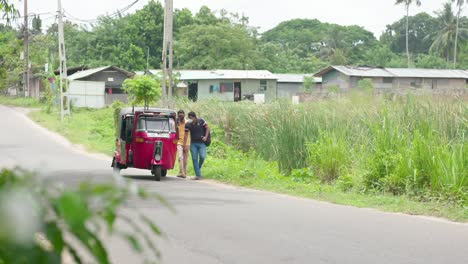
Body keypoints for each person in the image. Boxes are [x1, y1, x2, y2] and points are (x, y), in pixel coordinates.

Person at [184, 111, 210, 180]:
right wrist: (184, 144)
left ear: (194, 117)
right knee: (194, 158)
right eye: (189, 118)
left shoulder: (201, 121)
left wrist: (206, 137)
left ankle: (198, 167)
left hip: (201, 143)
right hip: (193, 144)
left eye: (191, 118)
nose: (190, 120)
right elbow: (186, 135)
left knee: (202, 156)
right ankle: (198, 175)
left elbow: (207, 128)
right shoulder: (188, 124)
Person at [176, 110, 190, 178]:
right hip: (179, 142)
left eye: (182, 114)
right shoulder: (177, 122)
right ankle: (183, 173)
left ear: (184, 115)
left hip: (187, 142)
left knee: (185, 159)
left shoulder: (187, 122)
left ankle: (181, 172)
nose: (181, 115)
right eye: (179, 114)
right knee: (180, 157)